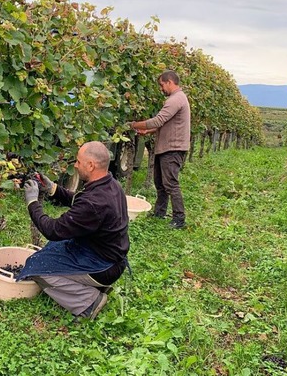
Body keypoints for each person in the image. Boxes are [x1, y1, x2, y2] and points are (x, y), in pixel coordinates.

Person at [17, 141, 130, 320]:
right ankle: (92, 285)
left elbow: (52, 230)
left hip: (102, 266)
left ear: (91, 165)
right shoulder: (110, 184)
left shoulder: (95, 202)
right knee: (55, 246)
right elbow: (81, 202)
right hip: (107, 256)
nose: (75, 165)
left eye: (78, 161)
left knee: (37, 266)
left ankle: (89, 301)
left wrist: (33, 203)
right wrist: (53, 189)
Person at [129, 70, 190, 229]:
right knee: (160, 183)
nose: (161, 88)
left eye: (162, 85)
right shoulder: (177, 99)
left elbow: (159, 120)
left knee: (170, 184)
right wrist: (148, 131)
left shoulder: (175, 99)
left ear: (170, 82)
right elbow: (167, 124)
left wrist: (134, 125)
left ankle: (179, 219)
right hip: (166, 148)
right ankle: (159, 212)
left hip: (173, 148)